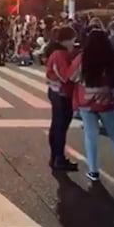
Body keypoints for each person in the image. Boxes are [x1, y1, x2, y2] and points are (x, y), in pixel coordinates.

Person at [71, 29, 114, 181]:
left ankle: (93, 171)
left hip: (86, 102)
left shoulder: (83, 57)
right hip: (107, 102)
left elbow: (73, 77)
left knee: (90, 137)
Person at [45, 26, 80, 173]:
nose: (74, 43)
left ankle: (56, 157)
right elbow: (66, 76)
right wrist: (78, 60)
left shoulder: (57, 52)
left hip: (57, 92)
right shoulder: (60, 54)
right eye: (73, 40)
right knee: (60, 127)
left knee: (57, 126)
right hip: (61, 94)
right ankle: (58, 158)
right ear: (66, 40)